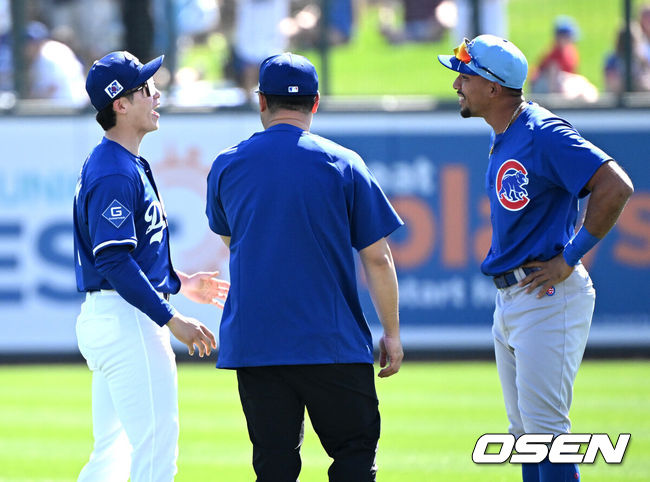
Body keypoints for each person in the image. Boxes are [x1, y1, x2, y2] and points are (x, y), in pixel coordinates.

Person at [437, 35, 634, 482]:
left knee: (547, 437)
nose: (456, 85)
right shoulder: (509, 133)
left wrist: (571, 256)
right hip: (514, 297)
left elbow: (616, 186)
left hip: (547, 295)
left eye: (464, 76)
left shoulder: (542, 132)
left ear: (493, 87)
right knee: (526, 437)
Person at [206, 52, 404, 481]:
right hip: (332, 343)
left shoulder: (227, 164)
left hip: (257, 344)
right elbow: (378, 257)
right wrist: (391, 332)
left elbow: (232, 241)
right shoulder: (344, 163)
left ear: (262, 101)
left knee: (274, 466)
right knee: (354, 458)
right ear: (315, 102)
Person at [73, 51, 229, 481]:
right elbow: (112, 258)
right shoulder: (113, 170)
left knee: (111, 457)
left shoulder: (119, 162)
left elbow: (127, 256)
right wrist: (171, 317)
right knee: (156, 454)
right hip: (128, 321)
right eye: (145, 88)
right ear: (120, 104)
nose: (156, 94)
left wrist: (178, 283)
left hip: (115, 315)